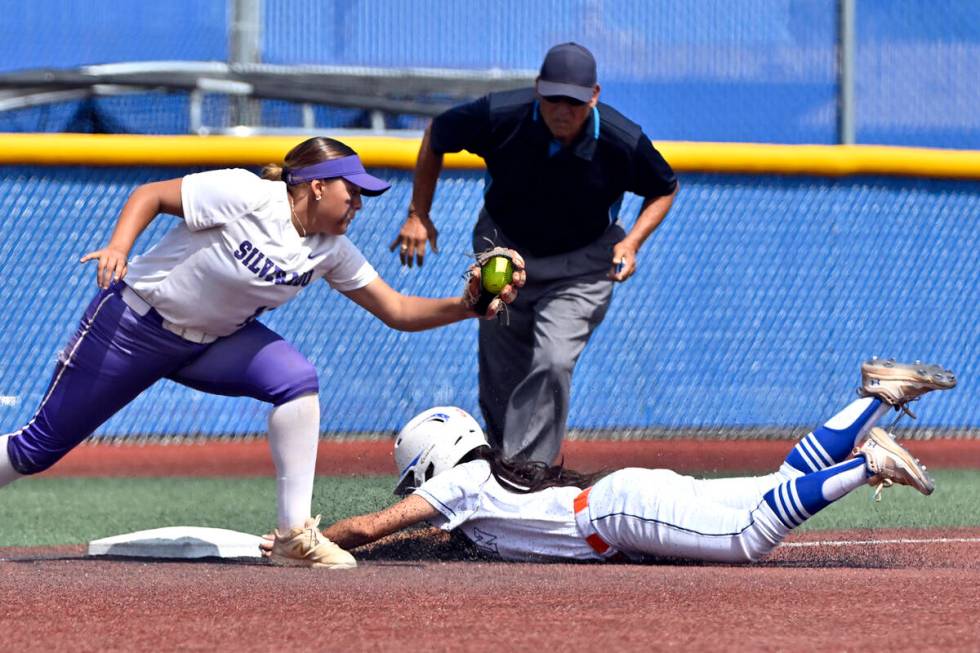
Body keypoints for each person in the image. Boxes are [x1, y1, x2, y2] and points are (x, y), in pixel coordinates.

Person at [0, 136, 524, 569]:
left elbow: (399, 311)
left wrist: (467, 307)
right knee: (36, 451)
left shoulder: (330, 250)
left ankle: (295, 536)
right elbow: (150, 195)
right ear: (317, 187)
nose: (359, 204)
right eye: (353, 191)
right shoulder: (246, 194)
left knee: (296, 380)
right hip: (133, 325)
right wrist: (119, 247)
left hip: (213, 343)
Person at [277, 358, 955, 564]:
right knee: (781, 485)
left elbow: (374, 527)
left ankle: (868, 462)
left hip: (620, 511)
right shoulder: (484, 485)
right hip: (622, 498)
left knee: (750, 540)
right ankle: (873, 396)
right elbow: (423, 535)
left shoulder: (463, 481)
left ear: (429, 461)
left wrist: (298, 538)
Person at [390, 42, 679, 464]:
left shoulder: (621, 139)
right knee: (500, 364)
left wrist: (632, 241)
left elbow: (664, 187)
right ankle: (503, 465)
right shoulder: (502, 115)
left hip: (583, 263)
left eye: (575, 101)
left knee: (553, 359)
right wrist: (418, 213)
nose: (563, 110)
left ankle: (531, 473)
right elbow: (440, 133)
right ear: (537, 90)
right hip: (504, 248)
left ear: (594, 95)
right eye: (553, 99)